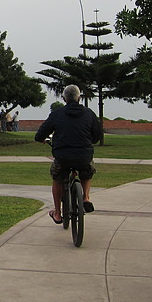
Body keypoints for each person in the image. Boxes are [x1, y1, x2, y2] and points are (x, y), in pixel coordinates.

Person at [34, 85, 102, 224]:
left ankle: (58, 213)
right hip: (84, 156)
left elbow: (40, 135)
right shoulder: (89, 113)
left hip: (63, 157)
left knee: (57, 177)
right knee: (87, 171)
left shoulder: (57, 114)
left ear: (64, 98)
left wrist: (43, 139)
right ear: (79, 98)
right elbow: (97, 136)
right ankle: (86, 198)